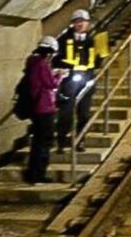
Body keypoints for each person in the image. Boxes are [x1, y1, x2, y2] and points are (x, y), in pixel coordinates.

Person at [53, 9, 109, 153]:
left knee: (84, 113)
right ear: (72, 24)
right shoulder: (64, 40)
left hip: (87, 79)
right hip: (69, 79)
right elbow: (56, 59)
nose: (80, 24)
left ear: (88, 23)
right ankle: (61, 142)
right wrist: (66, 67)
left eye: (82, 22)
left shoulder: (93, 40)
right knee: (66, 113)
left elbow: (99, 59)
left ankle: (80, 141)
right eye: (77, 22)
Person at [23, 36, 64, 183]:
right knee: (44, 142)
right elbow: (50, 84)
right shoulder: (42, 64)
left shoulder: (31, 61)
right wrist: (60, 76)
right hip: (44, 107)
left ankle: (32, 173)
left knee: (37, 142)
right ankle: (38, 173)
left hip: (35, 106)